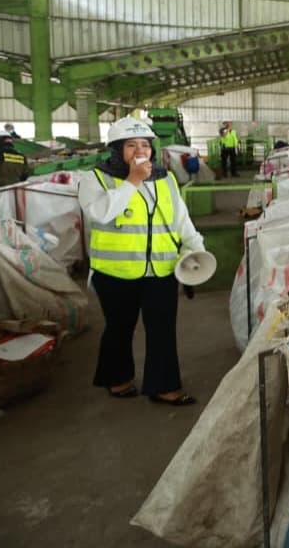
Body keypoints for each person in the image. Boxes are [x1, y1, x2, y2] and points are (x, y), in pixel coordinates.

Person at [78, 117, 204, 406]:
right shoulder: (94, 179)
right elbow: (101, 213)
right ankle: (117, 378)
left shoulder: (166, 179)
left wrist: (197, 248)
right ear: (116, 149)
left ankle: (164, 386)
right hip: (115, 272)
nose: (139, 151)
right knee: (119, 327)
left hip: (160, 269)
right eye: (131, 145)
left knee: (162, 330)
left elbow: (180, 219)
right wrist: (133, 180)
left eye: (145, 145)